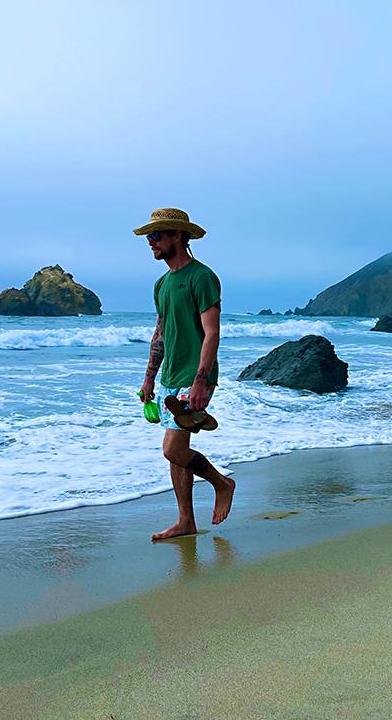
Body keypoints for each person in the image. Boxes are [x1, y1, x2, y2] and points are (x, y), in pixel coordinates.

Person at [135, 207, 235, 540]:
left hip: (194, 376)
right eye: (149, 236)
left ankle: (222, 483)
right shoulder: (161, 284)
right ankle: (185, 521)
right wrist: (150, 378)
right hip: (170, 378)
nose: (151, 242)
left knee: (172, 449)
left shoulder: (202, 277)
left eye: (156, 235)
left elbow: (212, 332)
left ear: (177, 236)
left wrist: (201, 380)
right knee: (175, 456)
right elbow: (160, 334)